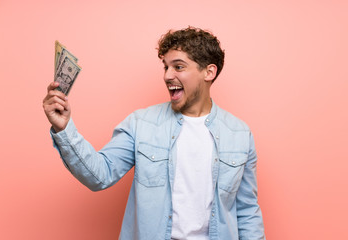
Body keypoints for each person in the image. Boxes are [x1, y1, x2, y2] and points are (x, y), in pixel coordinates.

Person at [43, 27, 265, 240]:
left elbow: (247, 211)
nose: (167, 76)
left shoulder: (239, 134)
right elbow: (100, 175)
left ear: (209, 72)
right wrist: (64, 128)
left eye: (178, 67)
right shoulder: (141, 124)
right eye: (165, 67)